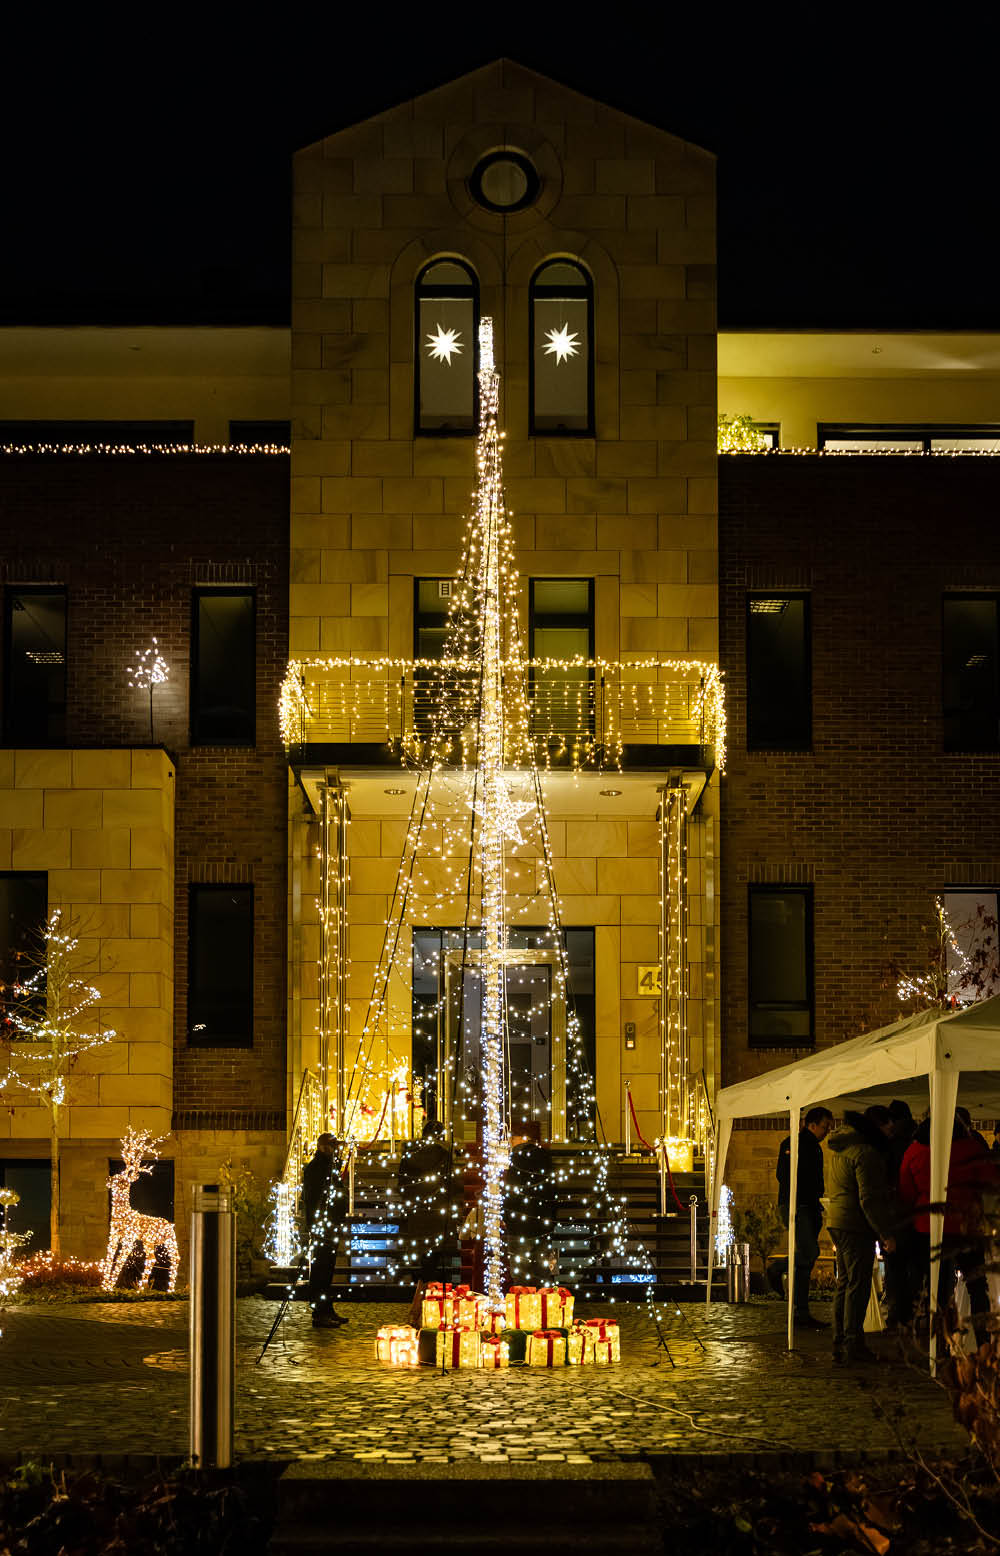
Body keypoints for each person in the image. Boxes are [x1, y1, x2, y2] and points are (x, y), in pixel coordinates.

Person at [898, 1110, 998, 1345]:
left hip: (928, 1226)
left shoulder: (915, 1150)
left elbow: (906, 1189)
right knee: (976, 1286)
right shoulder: (971, 1148)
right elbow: (990, 1180)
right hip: (964, 1225)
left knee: (938, 1288)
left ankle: (939, 1342)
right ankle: (982, 1341)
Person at [825, 1104, 897, 1364]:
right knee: (858, 1284)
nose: (891, 1133)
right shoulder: (866, 1153)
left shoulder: (843, 1147)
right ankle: (853, 1343)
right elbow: (869, 1199)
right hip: (855, 1224)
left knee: (845, 1283)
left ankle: (840, 1339)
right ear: (878, 1126)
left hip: (838, 1220)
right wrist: (885, 1233)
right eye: (889, 1127)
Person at [766, 1106, 834, 1328]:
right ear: (812, 1124)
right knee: (809, 1251)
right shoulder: (792, 1144)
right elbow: (783, 1175)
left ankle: (801, 1312)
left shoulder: (814, 1146)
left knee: (805, 1261)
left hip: (810, 1206)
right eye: (825, 1127)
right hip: (797, 1205)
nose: (827, 1132)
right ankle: (776, 1269)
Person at [397, 1118, 459, 1326]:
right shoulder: (444, 1155)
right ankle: (433, 1310)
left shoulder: (410, 1155)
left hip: (418, 1216)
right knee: (437, 1266)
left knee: (423, 1263)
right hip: (439, 1217)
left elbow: (402, 1185)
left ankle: (420, 1306)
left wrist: (413, 1204)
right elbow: (453, 1186)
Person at [301, 1133, 348, 1329]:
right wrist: (316, 1224)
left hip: (331, 1224)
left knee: (327, 1270)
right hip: (322, 1226)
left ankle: (327, 1308)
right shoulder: (316, 1169)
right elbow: (313, 1199)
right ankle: (319, 1312)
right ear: (323, 1147)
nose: (335, 1150)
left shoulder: (330, 1168)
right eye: (332, 1146)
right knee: (320, 1271)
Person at [504, 1137, 558, 1287]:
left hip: (519, 1227)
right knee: (543, 1273)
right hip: (543, 1224)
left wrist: (506, 1218)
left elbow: (510, 1196)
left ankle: (523, 1307)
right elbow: (552, 1193)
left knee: (520, 1277)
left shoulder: (515, 1162)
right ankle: (544, 1307)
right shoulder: (545, 1161)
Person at [883, 1099, 918, 1327]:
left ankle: (896, 1311)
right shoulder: (918, 1142)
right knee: (912, 1264)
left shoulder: (887, 1145)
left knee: (894, 1264)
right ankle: (909, 1311)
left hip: (893, 1212)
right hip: (915, 1211)